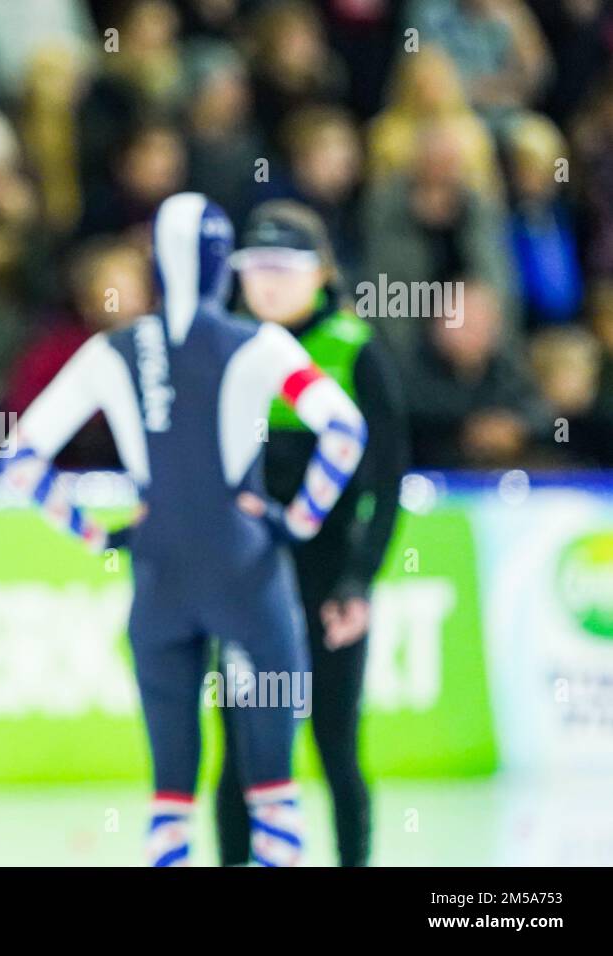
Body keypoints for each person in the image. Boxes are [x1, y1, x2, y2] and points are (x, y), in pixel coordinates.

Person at [0, 193, 368, 866]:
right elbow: (345, 431)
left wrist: (100, 534)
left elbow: (21, 461)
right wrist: (298, 520)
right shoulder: (259, 342)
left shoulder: (111, 349)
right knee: (274, 791)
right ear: (223, 260)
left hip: (159, 578)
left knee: (169, 795)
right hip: (249, 575)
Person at [216, 200, 408, 867]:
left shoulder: (356, 350)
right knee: (239, 748)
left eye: (283, 268)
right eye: (254, 268)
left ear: (322, 273)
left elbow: (388, 483)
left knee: (334, 742)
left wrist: (359, 579)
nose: (267, 283)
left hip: (327, 581)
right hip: (246, 584)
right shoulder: (226, 345)